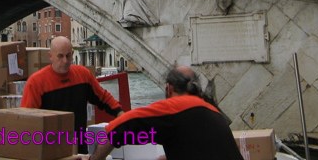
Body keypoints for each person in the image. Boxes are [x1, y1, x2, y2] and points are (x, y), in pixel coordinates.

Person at [87, 65, 243, 160]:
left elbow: (119, 128)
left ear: (169, 88)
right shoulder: (214, 112)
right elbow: (199, 148)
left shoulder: (174, 108)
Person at [22, 36, 123, 154]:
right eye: (60, 56)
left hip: (80, 146)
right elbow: (27, 120)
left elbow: (103, 98)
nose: (65, 61)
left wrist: (120, 114)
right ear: (50, 56)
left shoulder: (83, 75)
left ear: (72, 54)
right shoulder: (36, 83)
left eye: (68, 56)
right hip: (50, 149)